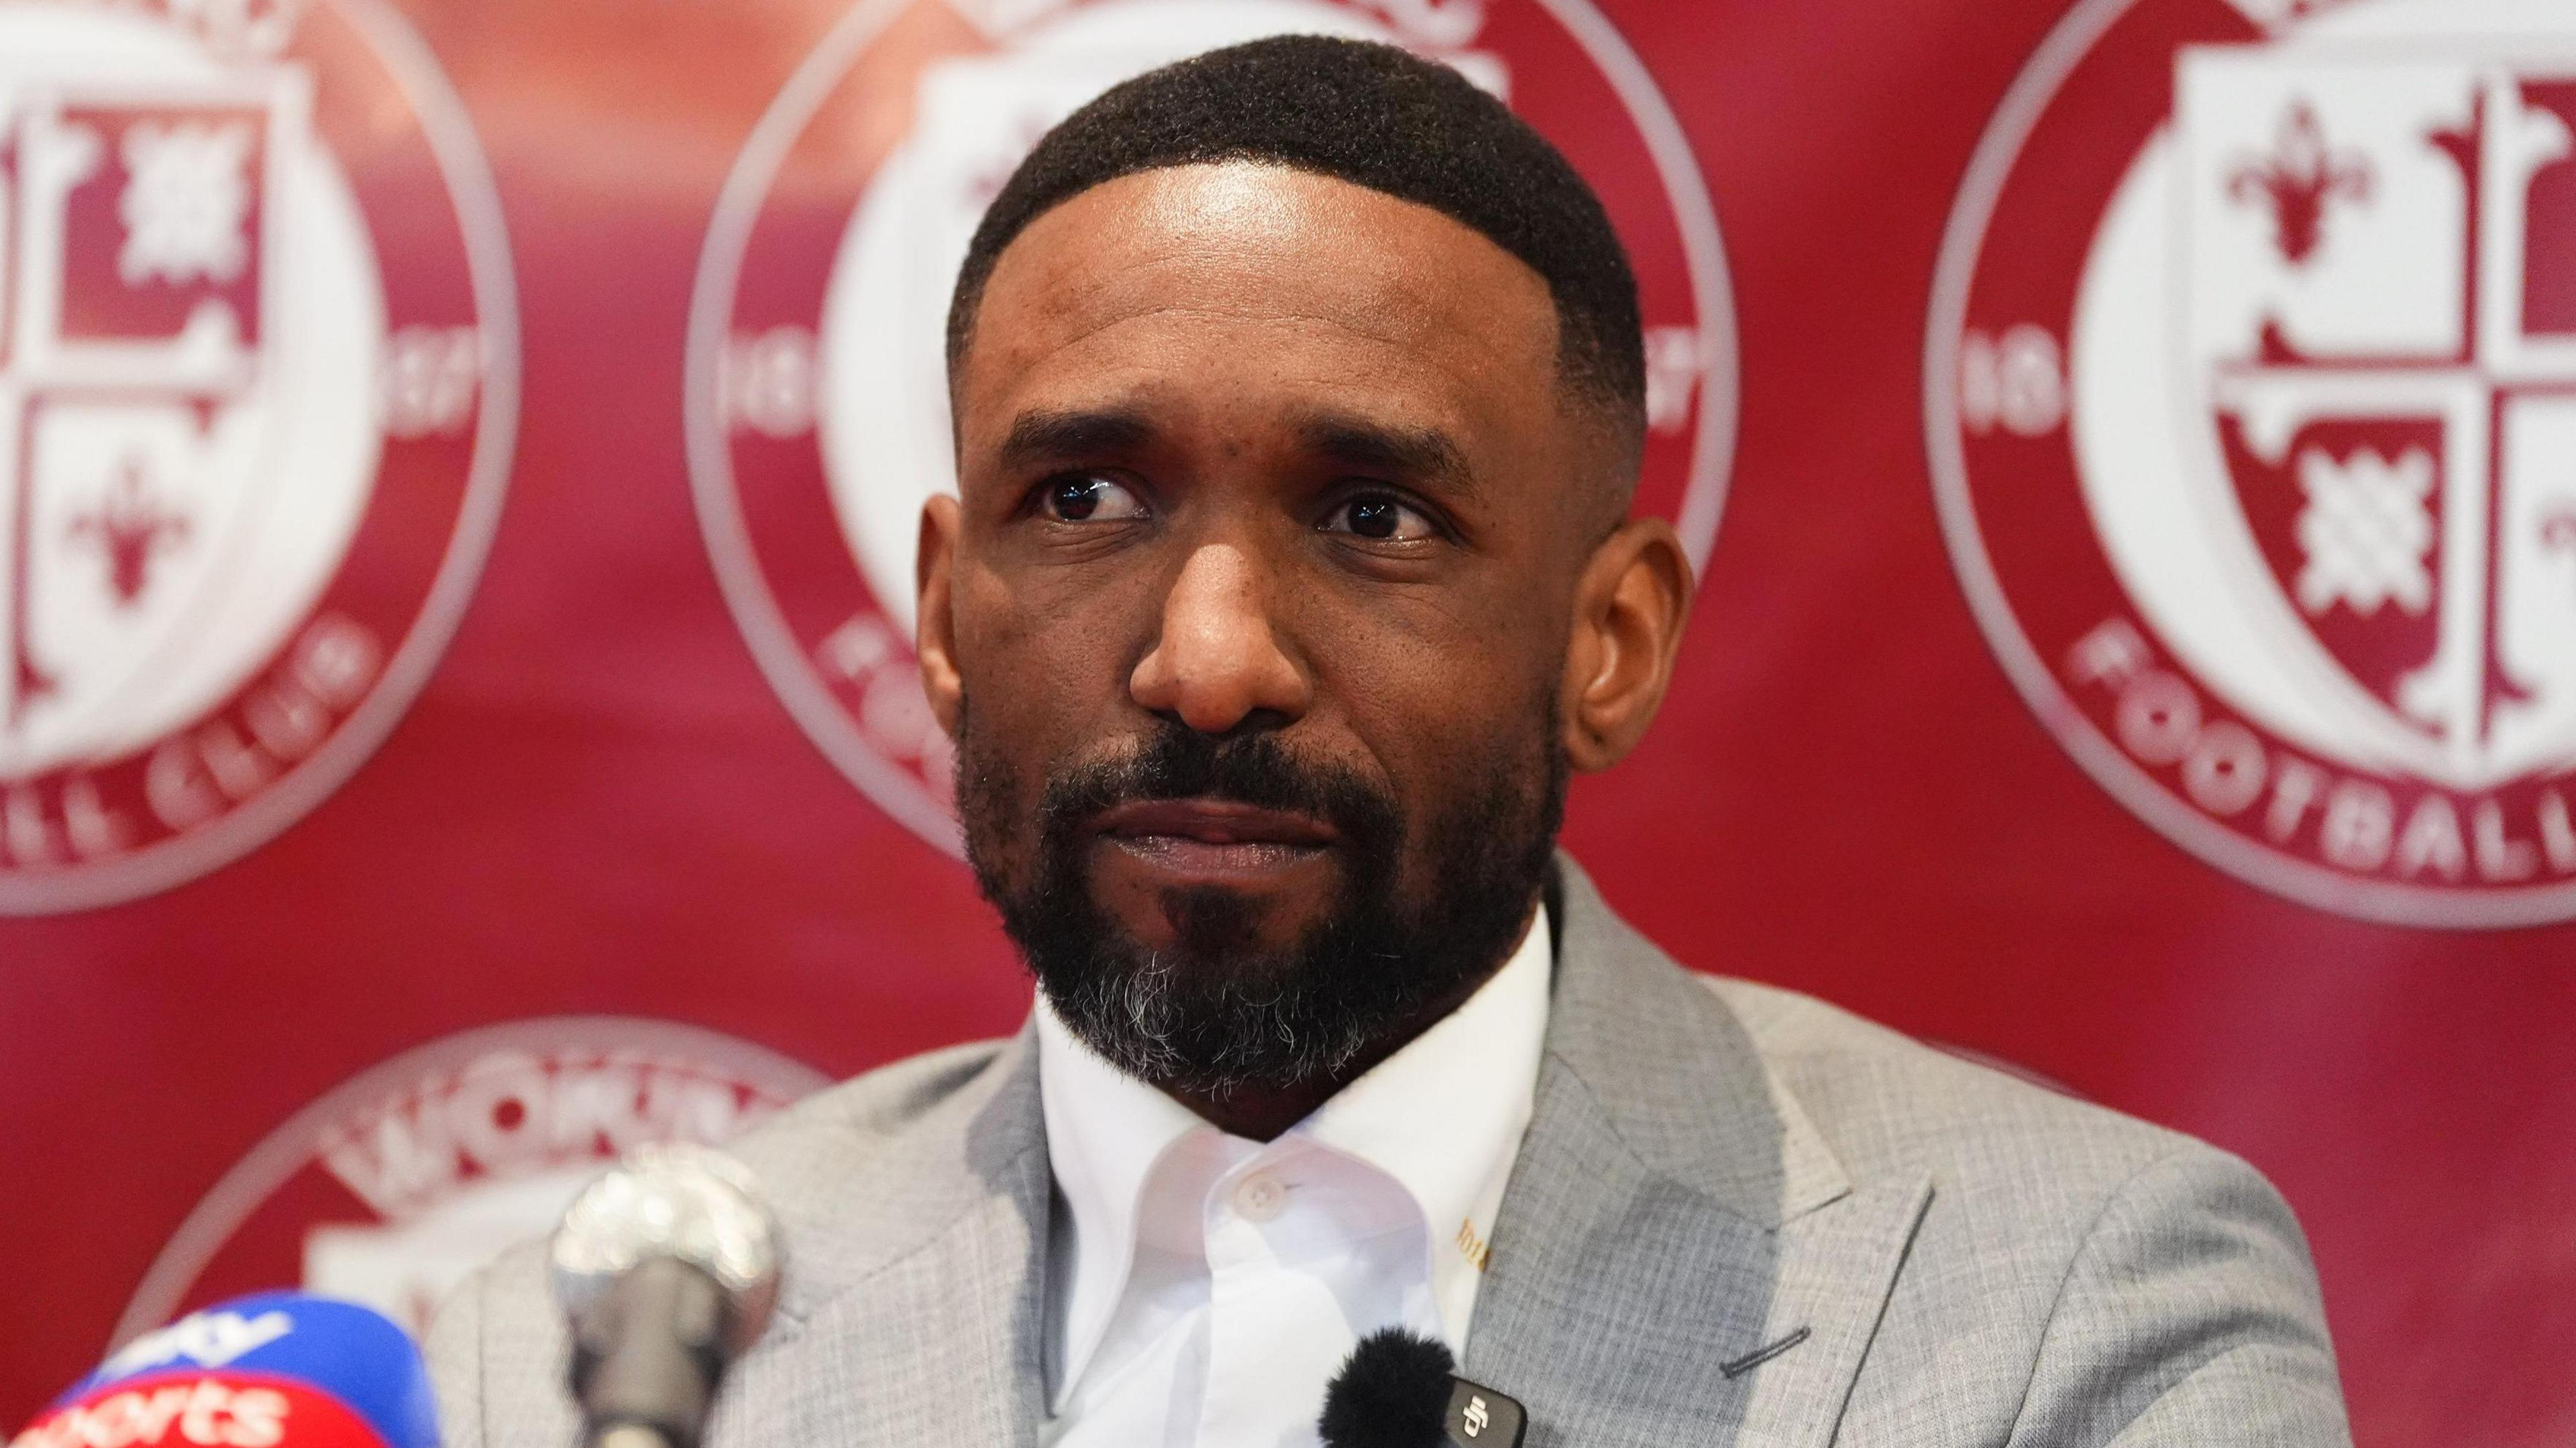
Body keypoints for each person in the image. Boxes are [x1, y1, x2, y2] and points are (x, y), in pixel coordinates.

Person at [429, 36, 2351, 1447]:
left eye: (1375, 520)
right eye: (1087, 500)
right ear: (945, 614)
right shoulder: (590, 1367)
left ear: (1610, 641)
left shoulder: (2064, 1318)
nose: (1207, 662)